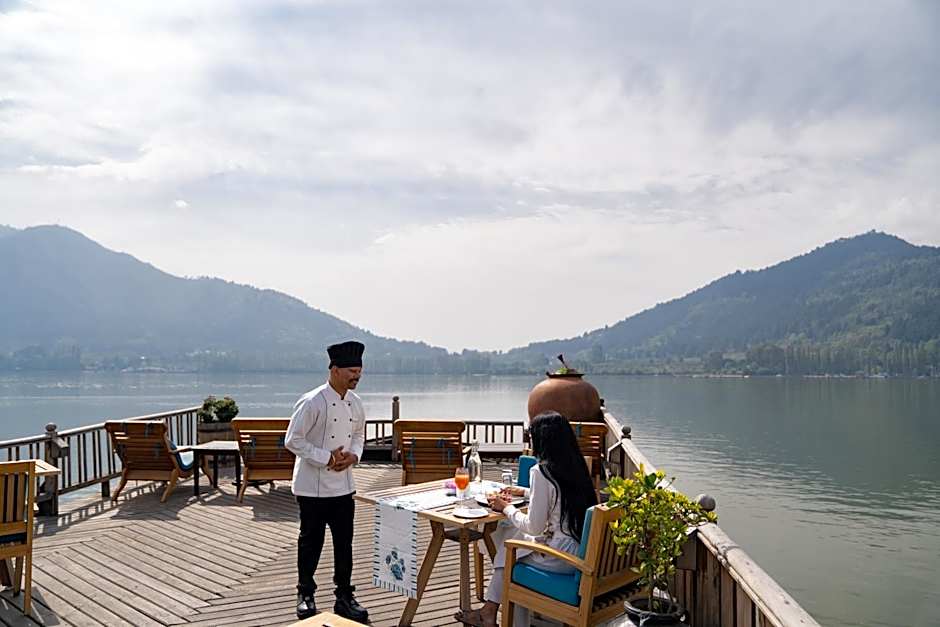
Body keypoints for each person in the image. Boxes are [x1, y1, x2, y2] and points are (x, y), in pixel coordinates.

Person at [456, 411, 598, 627]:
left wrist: (506, 508)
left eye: (531, 436)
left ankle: (491, 613)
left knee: (508, 552)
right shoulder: (575, 466)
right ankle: (489, 612)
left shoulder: (541, 471)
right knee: (512, 542)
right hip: (579, 552)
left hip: (561, 559)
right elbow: (559, 498)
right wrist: (523, 492)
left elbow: (534, 527)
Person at [285, 340, 369, 622]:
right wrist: (327, 458)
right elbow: (293, 440)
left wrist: (353, 456)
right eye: (351, 371)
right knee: (311, 542)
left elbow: (359, 435)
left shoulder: (356, 403)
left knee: (344, 543)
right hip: (312, 487)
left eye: (359, 371)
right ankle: (305, 594)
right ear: (334, 370)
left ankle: (344, 596)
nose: (356, 376)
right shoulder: (312, 401)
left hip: (344, 486)